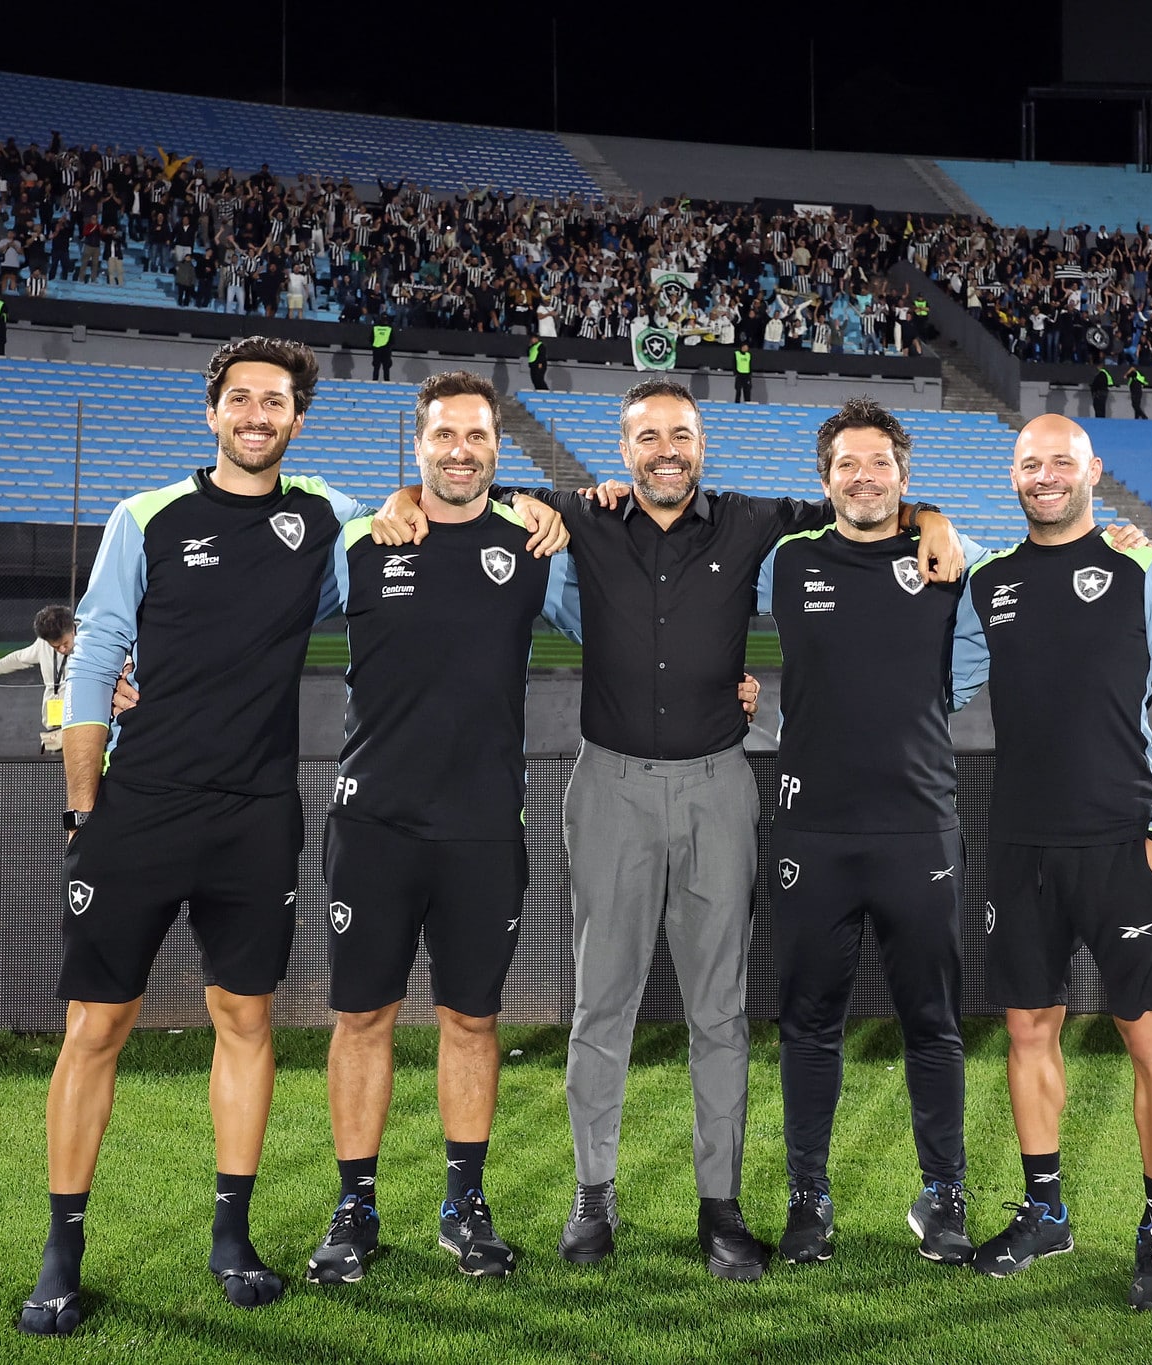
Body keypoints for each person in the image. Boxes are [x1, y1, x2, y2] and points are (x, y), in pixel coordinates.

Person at [374, 380, 965, 1282]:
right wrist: (399, 497)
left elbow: (863, 498)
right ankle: (593, 1196)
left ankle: (720, 1207)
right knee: (600, 1007)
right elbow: (461, 484)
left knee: (719, 1013)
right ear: (623, 452)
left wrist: (931, 516)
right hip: (607, 785)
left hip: (717, 788)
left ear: (702, 444)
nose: (665, 450)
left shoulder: (753, 520)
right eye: (647, 435)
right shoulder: (582, 515)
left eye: (681, 435)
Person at [17, 338, 370, 1337]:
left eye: (277, 402)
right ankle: (62, 1249)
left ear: (298, 420)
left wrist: (545, 512)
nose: (258, 415)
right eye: (240, 400)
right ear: (211, 413)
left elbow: (400, 547)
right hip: (140, 807)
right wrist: (84, 806)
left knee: (246, 1022)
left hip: (256, 814)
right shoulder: (147, 517)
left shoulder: (324, 518)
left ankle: (232, 1236)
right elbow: (96, 662)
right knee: (96, 1028)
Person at [302, 372, 579, 1285]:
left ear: (498, 447)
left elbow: (635, 626)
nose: (461, 450)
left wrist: (728, 686)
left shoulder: (535, 545)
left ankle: (464, 1205)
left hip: (483, 828)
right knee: (362, 1016)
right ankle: (356, 1206)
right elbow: (246, 620)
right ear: (415, 445)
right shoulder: (359, 540)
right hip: (374, 822)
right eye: (444, 435)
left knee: (471, 1018)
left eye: (478, 436)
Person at [960, 413, 1152, 1313]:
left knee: (1151, 1037)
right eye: (1030, 463)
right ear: (1014, 476)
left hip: (1119, 844)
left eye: (1061, 460)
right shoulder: (990, 583)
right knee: (1028, 1031)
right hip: (1020, 845)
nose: (1046, 474)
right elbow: (937, 682)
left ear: (1093, 469)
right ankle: (1044, 1210)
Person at [757, 399, 983, 1268]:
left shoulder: (946, 563)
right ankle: (809, 1196)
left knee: (933, 1022)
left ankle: (944, 1192)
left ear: (904, 475)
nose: (863, 477)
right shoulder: (787, 562)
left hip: (917, 829)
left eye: (880, 463)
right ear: (824, 481)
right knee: (808, 1023)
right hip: (811, 831)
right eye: (847, 464)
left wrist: (936, 522)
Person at [0, 604, 77, 753]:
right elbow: (19, 658)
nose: (62, 650)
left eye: (65, 644)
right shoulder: (42, 645)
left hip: (80, 725)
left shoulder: (90, 642)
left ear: (73, 630)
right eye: (56, 647)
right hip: (55, 731)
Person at [370, 316, 393, 382]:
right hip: (386, 351)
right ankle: (387, 383)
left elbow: (371, 339)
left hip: (377, 351)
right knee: (386, 368)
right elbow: (392, 341)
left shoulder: (375, 328)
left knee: (376, 368)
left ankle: (374, 382)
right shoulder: (389, 329)